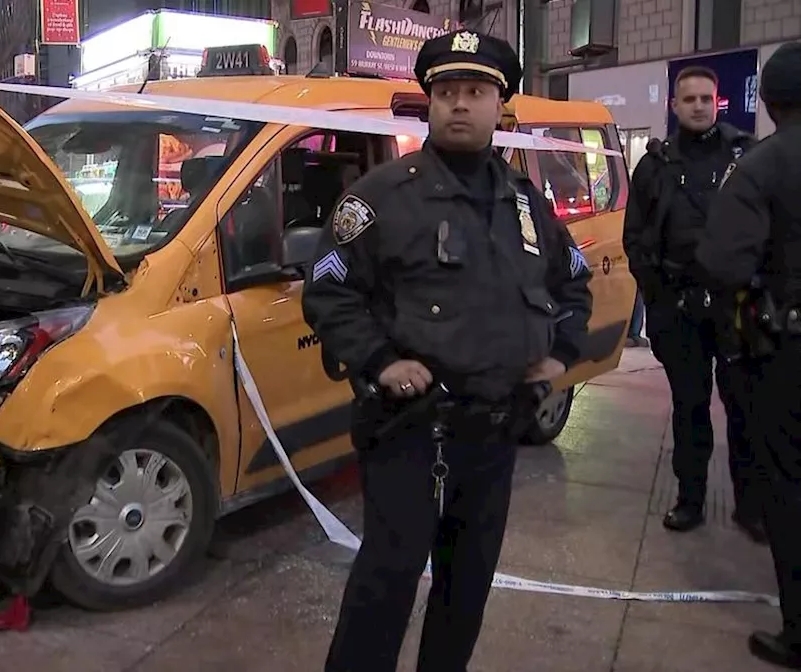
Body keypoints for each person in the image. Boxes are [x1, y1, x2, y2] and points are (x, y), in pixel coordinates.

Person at [301, 29, 593, 672]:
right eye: (448, 92)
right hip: (411, 433)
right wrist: (381, 361)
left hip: (493, 435)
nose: (461, 103)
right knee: (386, 584)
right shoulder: (382, 197)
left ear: (500, 106)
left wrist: (560, 354)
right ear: (429, 104)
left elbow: (573, 281)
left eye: (477, 91)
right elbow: (327, 290)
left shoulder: (524, 204)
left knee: (466, 591)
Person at [621, 65, 764, 540]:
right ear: (675, 105)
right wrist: (661, 301)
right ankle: (691, 498)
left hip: (736, 307)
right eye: (690, 99)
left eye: (707, 98)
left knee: (744, 407)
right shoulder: (655, 164)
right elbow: (636, 240)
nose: (699, 106)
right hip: (678, 309)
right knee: (690, 407)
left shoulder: (745, 157)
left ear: (717, 101)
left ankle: (751, 506)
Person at [695, 40, 801, 669]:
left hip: (785, 353)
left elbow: (722, 261)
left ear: (769, 100)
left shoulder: (760, 166)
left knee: (787, 484)